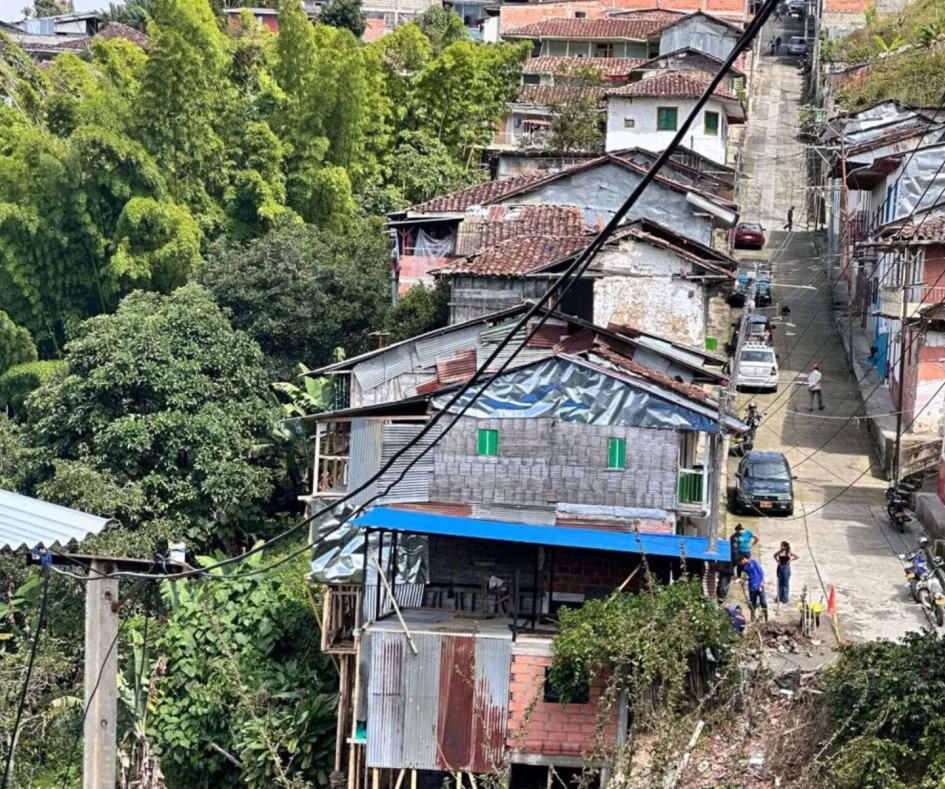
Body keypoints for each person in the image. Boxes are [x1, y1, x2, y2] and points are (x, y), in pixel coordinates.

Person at [740, 557, 768, 621]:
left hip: (759, 585)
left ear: (744, 559)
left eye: (741, 561)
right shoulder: (743, 567)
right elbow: (744, 576)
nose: (741, 563)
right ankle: (752, 619)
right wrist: (743, 580)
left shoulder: (754, 562)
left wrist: (762, 581)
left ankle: (765, 618)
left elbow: (761, 572)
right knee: (752, 604)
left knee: (763, 602)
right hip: (752, 587)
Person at [773, 541, 800, 607]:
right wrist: (777, 561)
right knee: (780, 582)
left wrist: (790, 560)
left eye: (782, 546)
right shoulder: (780, 552)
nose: (781, 547)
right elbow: (774, 555)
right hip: (780, 567)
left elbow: (797, 556)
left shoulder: (788, 552)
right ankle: (779, 597)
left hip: (786, 567)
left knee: (785, 583)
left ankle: (785, 598)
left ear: (785, 546)